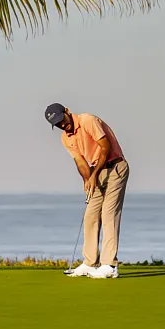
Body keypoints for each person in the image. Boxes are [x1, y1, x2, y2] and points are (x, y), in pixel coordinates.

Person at [45, 102, 129, 278]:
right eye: (58, 124)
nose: (62, 125)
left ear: (67, 111)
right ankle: (90, 263)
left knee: (108, 213)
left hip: (115, 167)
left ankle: (109, 265)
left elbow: (105, 147)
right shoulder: (66, 138)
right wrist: (87, 179)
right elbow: (80, 162)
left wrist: (94, 175)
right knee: (90, 215)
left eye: (62, 119)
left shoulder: (87, 120)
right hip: (97, 172)